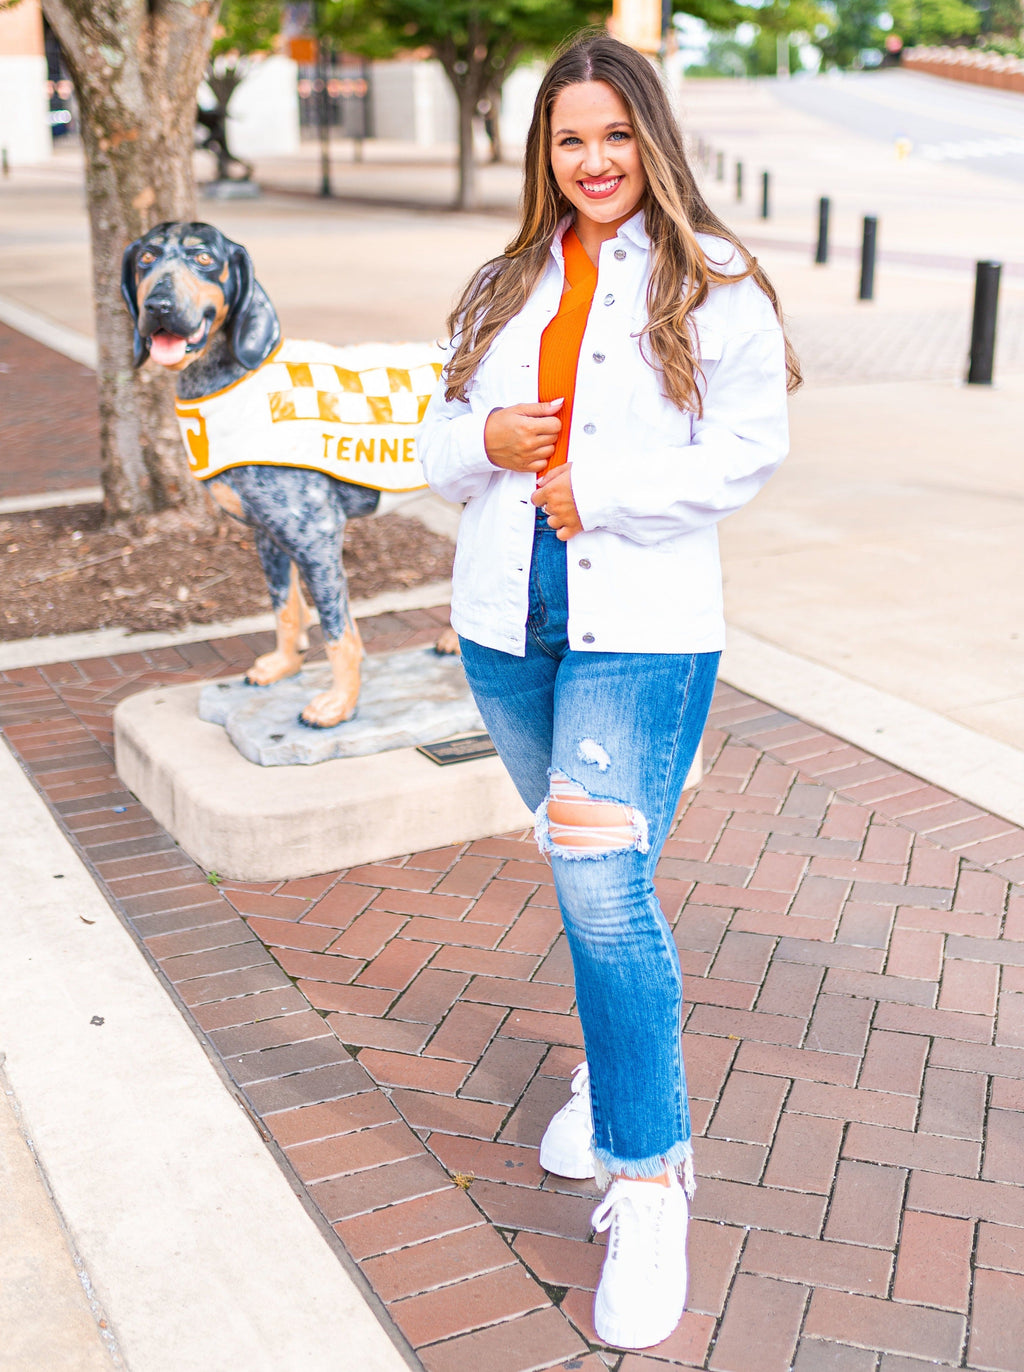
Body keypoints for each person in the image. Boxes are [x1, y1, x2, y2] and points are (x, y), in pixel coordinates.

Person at [418, 31, 798, 1352]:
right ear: (547, 153)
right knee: (601, 882)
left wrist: (606, 490)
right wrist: (489, 441)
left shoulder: (716, 280)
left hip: (640, 627)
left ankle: (649, 1182)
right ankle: (608, 1061)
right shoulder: (505, 278)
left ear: (653, 138)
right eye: (571, 139)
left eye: (615, 136)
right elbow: (434, 446)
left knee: (594, 876)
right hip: (506, 627)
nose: (594, 162)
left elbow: (752, 449)